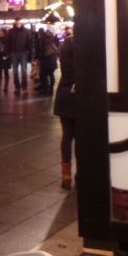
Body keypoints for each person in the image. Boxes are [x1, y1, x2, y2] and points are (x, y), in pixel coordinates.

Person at [54, 29, 76, 190]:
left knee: (67, 136)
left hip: (64, 93)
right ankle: (81, 174)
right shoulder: (84, 46)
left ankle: (66, 175)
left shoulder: (65, 46)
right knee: (82, 138)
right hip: (79, 96)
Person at [7, 18, 33, 94]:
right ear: (15, 23)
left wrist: (30, 54)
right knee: (15, 71)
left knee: (24, 71)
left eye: (19, 23)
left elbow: (30, 43)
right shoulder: (11, 32)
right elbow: (8, 43)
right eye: (17, 23)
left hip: (23, 53)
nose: (18, 24)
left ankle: (24, 87)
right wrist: (8, 53)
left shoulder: (26, 31)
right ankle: (17, 87)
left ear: (22, 23)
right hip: (14, 53)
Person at [39, 29, 59, 95]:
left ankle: (45, 89)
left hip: (46, 60)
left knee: (44, 75)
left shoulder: (43, 40)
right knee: (51, 74)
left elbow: (41, 50)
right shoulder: (54, 39)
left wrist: (39, 59)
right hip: (53, 60)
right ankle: (51, 90)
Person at [0, 28, 10, 93]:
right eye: (0, 32)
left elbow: (8, 48)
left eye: (1, 32)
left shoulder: (6, 40)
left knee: (5, 72)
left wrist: (6, 55)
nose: (0, 33)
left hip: (5, 57)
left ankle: (5, 87)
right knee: (0, 72)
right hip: (0, 57)